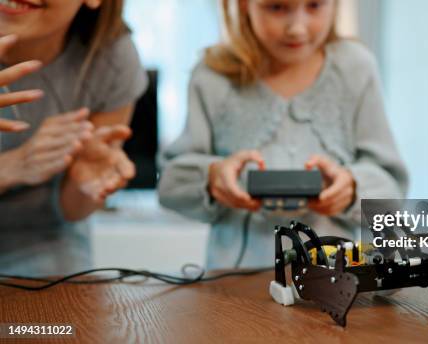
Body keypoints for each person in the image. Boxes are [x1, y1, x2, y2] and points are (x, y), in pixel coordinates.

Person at [158, 0, 408, 269]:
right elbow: (169, 184)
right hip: (232, 287)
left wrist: (352, 188)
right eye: (276, 7)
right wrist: (213, 178)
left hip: (332, 282)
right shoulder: (212, 75)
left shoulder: (356, 67)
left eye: (314, 6)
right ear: (243, 5)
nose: (297, 29)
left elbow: (392, 187)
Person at [0, 0, 148, 275]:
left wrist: (85, 184)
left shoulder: (110, 54)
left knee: (62, 316)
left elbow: (72, 210)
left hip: (46, 242)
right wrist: (12, 166)